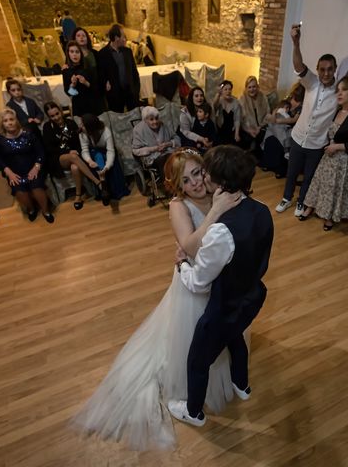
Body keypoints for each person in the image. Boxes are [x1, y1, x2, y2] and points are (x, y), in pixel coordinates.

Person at [72, 149, 241, 450]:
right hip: (195, 281)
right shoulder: (179, 206)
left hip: (223, 277)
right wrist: (214, 211)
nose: (195, 183)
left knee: (224, 329)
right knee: (197, 337)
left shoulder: (218, 188)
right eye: (185, 180)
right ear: (177, 186)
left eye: (197, 173)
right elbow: (188, 245)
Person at [168, 145, 274, 428]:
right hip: (250, 296)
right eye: (188, 179)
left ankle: (194, 413)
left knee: (197, 360)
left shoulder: (220, 233)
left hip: (222, 303)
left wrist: (181, 266)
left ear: (218, 181)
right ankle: (242, 385)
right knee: (237, 339)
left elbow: (199, 283)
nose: (200, 181)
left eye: (203, 173)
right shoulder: (263, 210)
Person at [274, 24, 339, 217]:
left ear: (335, 69)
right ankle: (287, 198)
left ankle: (302, 202)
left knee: (309, 176)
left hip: (317, 143)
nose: (326, 73)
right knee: (292, 172)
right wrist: (295, 43)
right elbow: (298, 66)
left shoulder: (339, 91)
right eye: (322, 69)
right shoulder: (312, 82)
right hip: (299, 136)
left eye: (330, 69)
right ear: (317, 70)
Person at [299, 74, 348, 230]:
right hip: (330, 155)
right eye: (338, 90)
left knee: (336, 188)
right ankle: (311, 206)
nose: (339, 93)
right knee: (321, 183)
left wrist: (337, 147)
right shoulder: (337, 109)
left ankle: (330, 216)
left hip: (347, 159)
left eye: (344, 90)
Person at [0, 108, 54, 223]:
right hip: (14, 171)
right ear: (2, 123)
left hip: (33, 167)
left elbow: (41, 152)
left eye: (12, 119)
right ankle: (31, 210)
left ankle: (46, 211)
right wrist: (8, 172)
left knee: (36, 189)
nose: (9, 122)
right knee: (21, 193)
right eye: (5, 121)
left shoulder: (28, 133)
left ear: (16, 120)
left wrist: (36, 167)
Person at [42, 101, 102, 210]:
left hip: (73, 157)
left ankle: (78, 196)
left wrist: (74, 150)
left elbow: (78, 143)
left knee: (75, 167)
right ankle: (97, 181)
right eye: (52, 116)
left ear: (61, 112)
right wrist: (68, 152)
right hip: (57, 159)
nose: (56, 117)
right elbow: (49, 149)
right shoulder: (47, 127)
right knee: (73, 157)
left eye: (57, 114)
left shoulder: (70, 123)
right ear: (48, 117)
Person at [79, 113, 130, 209]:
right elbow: (84, 150)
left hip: (106, 153)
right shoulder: (82, 133)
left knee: (102, 156)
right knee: (97, 155)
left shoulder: (105, 131)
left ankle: (103, 183)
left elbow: (111, 151)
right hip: (93, 154)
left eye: (82, 124)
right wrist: (89, 161)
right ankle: (103, 183)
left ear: (90, 127)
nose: (80, 126)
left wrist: (107, 167)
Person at [260, 90, 303, 178]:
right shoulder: (283, 109)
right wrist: (275, 118)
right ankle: (269, 164)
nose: (291, 101)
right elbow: (274, 118)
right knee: (271, 138)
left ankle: (279, 169)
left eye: (293, 99)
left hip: (287, 128)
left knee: (279, 138)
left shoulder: (299, 109)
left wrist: (277, 121)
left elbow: (292, 120)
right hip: (276, 127)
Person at [131, 106, 180, 184]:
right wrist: (154, 149)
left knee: (175, 158)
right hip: (151, 158)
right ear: (145, 120)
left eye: (156, 118)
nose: (155, 121)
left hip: (167, 152)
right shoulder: (138, 130)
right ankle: (169, 187)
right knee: (164, 160)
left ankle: (180, 184)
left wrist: (168, 144)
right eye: (151, 119)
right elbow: (135, 150)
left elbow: (176, 138)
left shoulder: (163, 125)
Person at [98, 24, 140, 113]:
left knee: (135, 117)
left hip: (130, 93)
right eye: (123, 36)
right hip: (115, 95)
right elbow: (101, 74)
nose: (125, 39)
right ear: (117, 37)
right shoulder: (103, 54)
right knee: (118, 121)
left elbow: (134, 72)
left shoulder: (128, 51)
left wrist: (136, 90)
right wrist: (105, 83)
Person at [71, 27, 106, 114]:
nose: (81, 38)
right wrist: (72, 86)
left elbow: (101, 73)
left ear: (87, 38)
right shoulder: (72, 58)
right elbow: (70, 91)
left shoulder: (95, 54)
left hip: (96, 92)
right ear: (74, 39)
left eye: (84, 35)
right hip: (81, 98)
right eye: (78, 36)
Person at [62, 41, 97, 118]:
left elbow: (95, 89)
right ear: (68, 54)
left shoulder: (87, 68)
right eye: (72, 51)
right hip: (78, 107)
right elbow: (70, 93)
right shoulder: (66, 71)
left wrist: (85, 82)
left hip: (91, 104)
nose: (74, 54)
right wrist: (72, 85)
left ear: (81, 54)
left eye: (77, 52)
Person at [238, 75, 270, 152]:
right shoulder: (242, 99)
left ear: (257, 87)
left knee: (265, 137)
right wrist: (249, 130)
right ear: (246, 88)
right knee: (247, 138)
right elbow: (240, 119)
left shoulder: (263, 97)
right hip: (246, 128)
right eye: (249, 87)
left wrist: (259, 127)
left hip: (262, 127)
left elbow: (267, 114)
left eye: (254, 87)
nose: (252, 89)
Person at [212, 80, 241, 146]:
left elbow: (237, 119)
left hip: (231, 131)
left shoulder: (235, 102)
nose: (228, 91)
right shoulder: (219, 100)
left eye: (230, 89)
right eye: (225, 89)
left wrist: (237, 134)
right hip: (220, 131)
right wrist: (218, 94)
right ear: (222, 91)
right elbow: (214, 106)